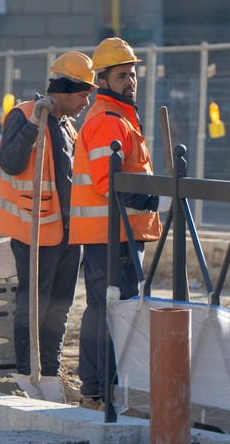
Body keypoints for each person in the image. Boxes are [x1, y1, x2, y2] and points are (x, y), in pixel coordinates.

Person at [0, 51, 96, 381]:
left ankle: (49, 375)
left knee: (60, 308)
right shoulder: (24, 115)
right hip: (35, 232)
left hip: (66, 234)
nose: (85, 103)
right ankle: (25, 375)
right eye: (82, 94)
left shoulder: (67, 128)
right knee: (33, 306)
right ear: (63, 89)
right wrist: (35, 122)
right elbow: (10, 161)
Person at [70, 37, 160, 410]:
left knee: (103, 310)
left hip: (110, 234)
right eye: (122, 75)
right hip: (112, 235)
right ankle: (106, 391)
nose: (131, 81)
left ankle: (97, 388)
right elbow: (111, 183)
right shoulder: (108, 120)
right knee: (116, 313)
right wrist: (156, 197)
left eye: (133, 73)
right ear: (103, 81)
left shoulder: (118, 116)